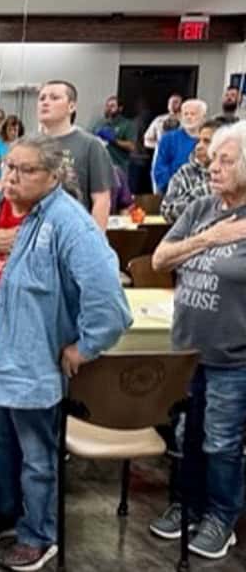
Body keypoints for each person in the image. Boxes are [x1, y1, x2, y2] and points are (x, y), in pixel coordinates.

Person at [0, 134, 131, 571]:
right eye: (9, 166)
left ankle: (38, 535)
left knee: (37, 456)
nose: (12, 177)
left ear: (54, 176)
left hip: (31, 362)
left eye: (26, 170)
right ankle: (6, 513)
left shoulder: (68, 222)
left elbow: (109, 302)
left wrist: (85, 347)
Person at [148, 121, 246, 562]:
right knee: (185, 435)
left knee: (221, 442)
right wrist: (209, 237)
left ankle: (220, 518)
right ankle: (185, 505)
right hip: (186, 352)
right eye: (214, 158)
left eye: (227, 161)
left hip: (233, 356)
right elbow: (160, 259)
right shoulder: (202, 208)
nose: (213, 167)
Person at [36, 80, 113, 230]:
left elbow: (101, 200)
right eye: (42, 98)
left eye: (54, 98)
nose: (45, 102)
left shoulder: (91, 145)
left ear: (71, 106)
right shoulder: (30, 145)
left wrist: (95, 238)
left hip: (73, 231)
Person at [161, 120, 221, 223]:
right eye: (198, 141)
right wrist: (203, 192)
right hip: (192, 231)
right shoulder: (184, 173)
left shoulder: (234, 173)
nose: (198, 146)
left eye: (206, 141)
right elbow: (167, 212)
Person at [153, 99, 208, 195]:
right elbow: (160, 169)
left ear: (203, 117)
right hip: (174, 192)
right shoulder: (168, 139)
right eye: (185, 114)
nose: (188, 117)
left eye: (193, 114)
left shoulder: (211, 139)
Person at [91, 96, 136, 182]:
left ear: (120, 108)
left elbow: (132, 146)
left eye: (112, 106)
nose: (109, 109)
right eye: (107, 106)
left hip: (117, 167)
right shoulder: (100, 123)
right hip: (99, 167)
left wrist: (114, 140)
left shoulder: (127, 125)